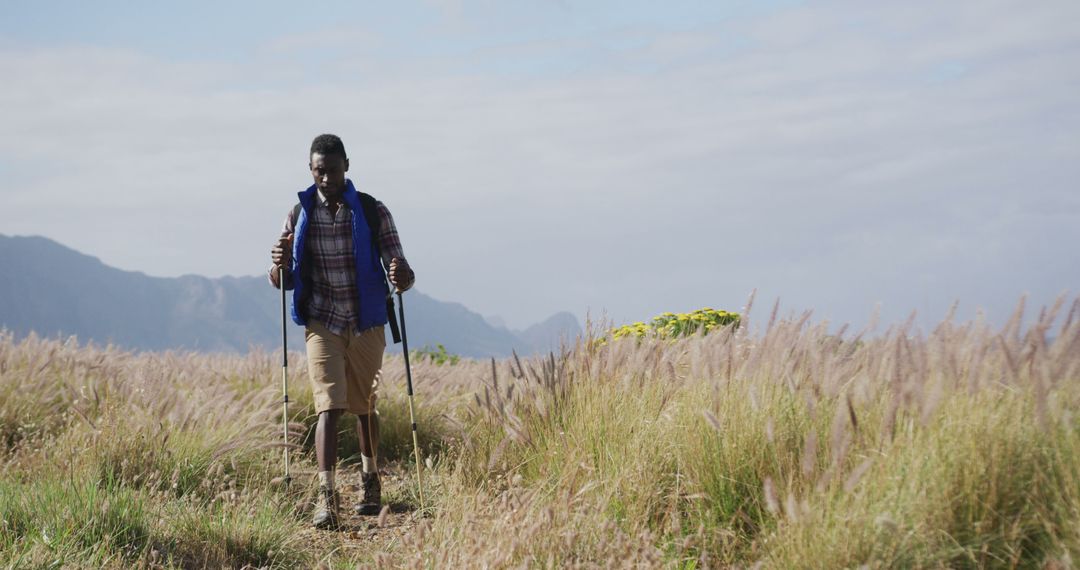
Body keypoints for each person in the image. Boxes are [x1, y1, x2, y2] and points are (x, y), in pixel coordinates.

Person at [269, 134, 415, 529]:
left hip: (366, 320)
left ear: (346, 166)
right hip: (322, 322)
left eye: (333, 170)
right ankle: (326, 496)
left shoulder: (370, 210)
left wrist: (402, 273)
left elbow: (400, 268)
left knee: (364, 406)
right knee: (328, 406)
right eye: (319, 171)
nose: (326, 178)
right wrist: (278, 266)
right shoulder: (299, 214)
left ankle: (370, 481)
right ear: (310, 170)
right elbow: (283, 279)